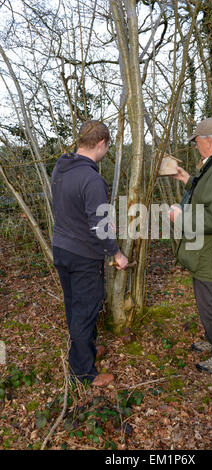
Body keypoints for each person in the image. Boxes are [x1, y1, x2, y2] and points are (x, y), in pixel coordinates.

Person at [51, 120, 128, 387]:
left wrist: (102, 222)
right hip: (82, 256)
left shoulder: (61, 168)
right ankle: (84, 373)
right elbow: (98, 226)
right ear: (100, 144)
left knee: (74, 306)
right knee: (85, 311)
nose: (107, 151)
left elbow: (72, 208)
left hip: (61, 249)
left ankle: (86, 352)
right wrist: (117, 255)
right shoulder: (93, 179)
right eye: (107, 146)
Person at [169, 117, 212, 373]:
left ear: (208, 141)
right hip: (209, 250)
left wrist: (181, 217)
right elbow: (208, 194)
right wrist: (188, 179)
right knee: (206, 302)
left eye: (197, 141)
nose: (196, 146)